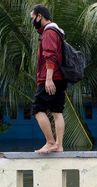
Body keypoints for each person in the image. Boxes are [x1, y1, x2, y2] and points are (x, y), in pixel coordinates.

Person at [30, 5, 67, 153]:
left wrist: (48, 79)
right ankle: (59, 146)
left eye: (33, 18)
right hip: (60, 77)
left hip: (51, 78)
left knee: (37, 109)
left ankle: (51, 142)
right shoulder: (57, 32)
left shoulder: (49, 32)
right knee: (57, 111)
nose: (33, 21)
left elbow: (50, 55)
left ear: (40, 16)